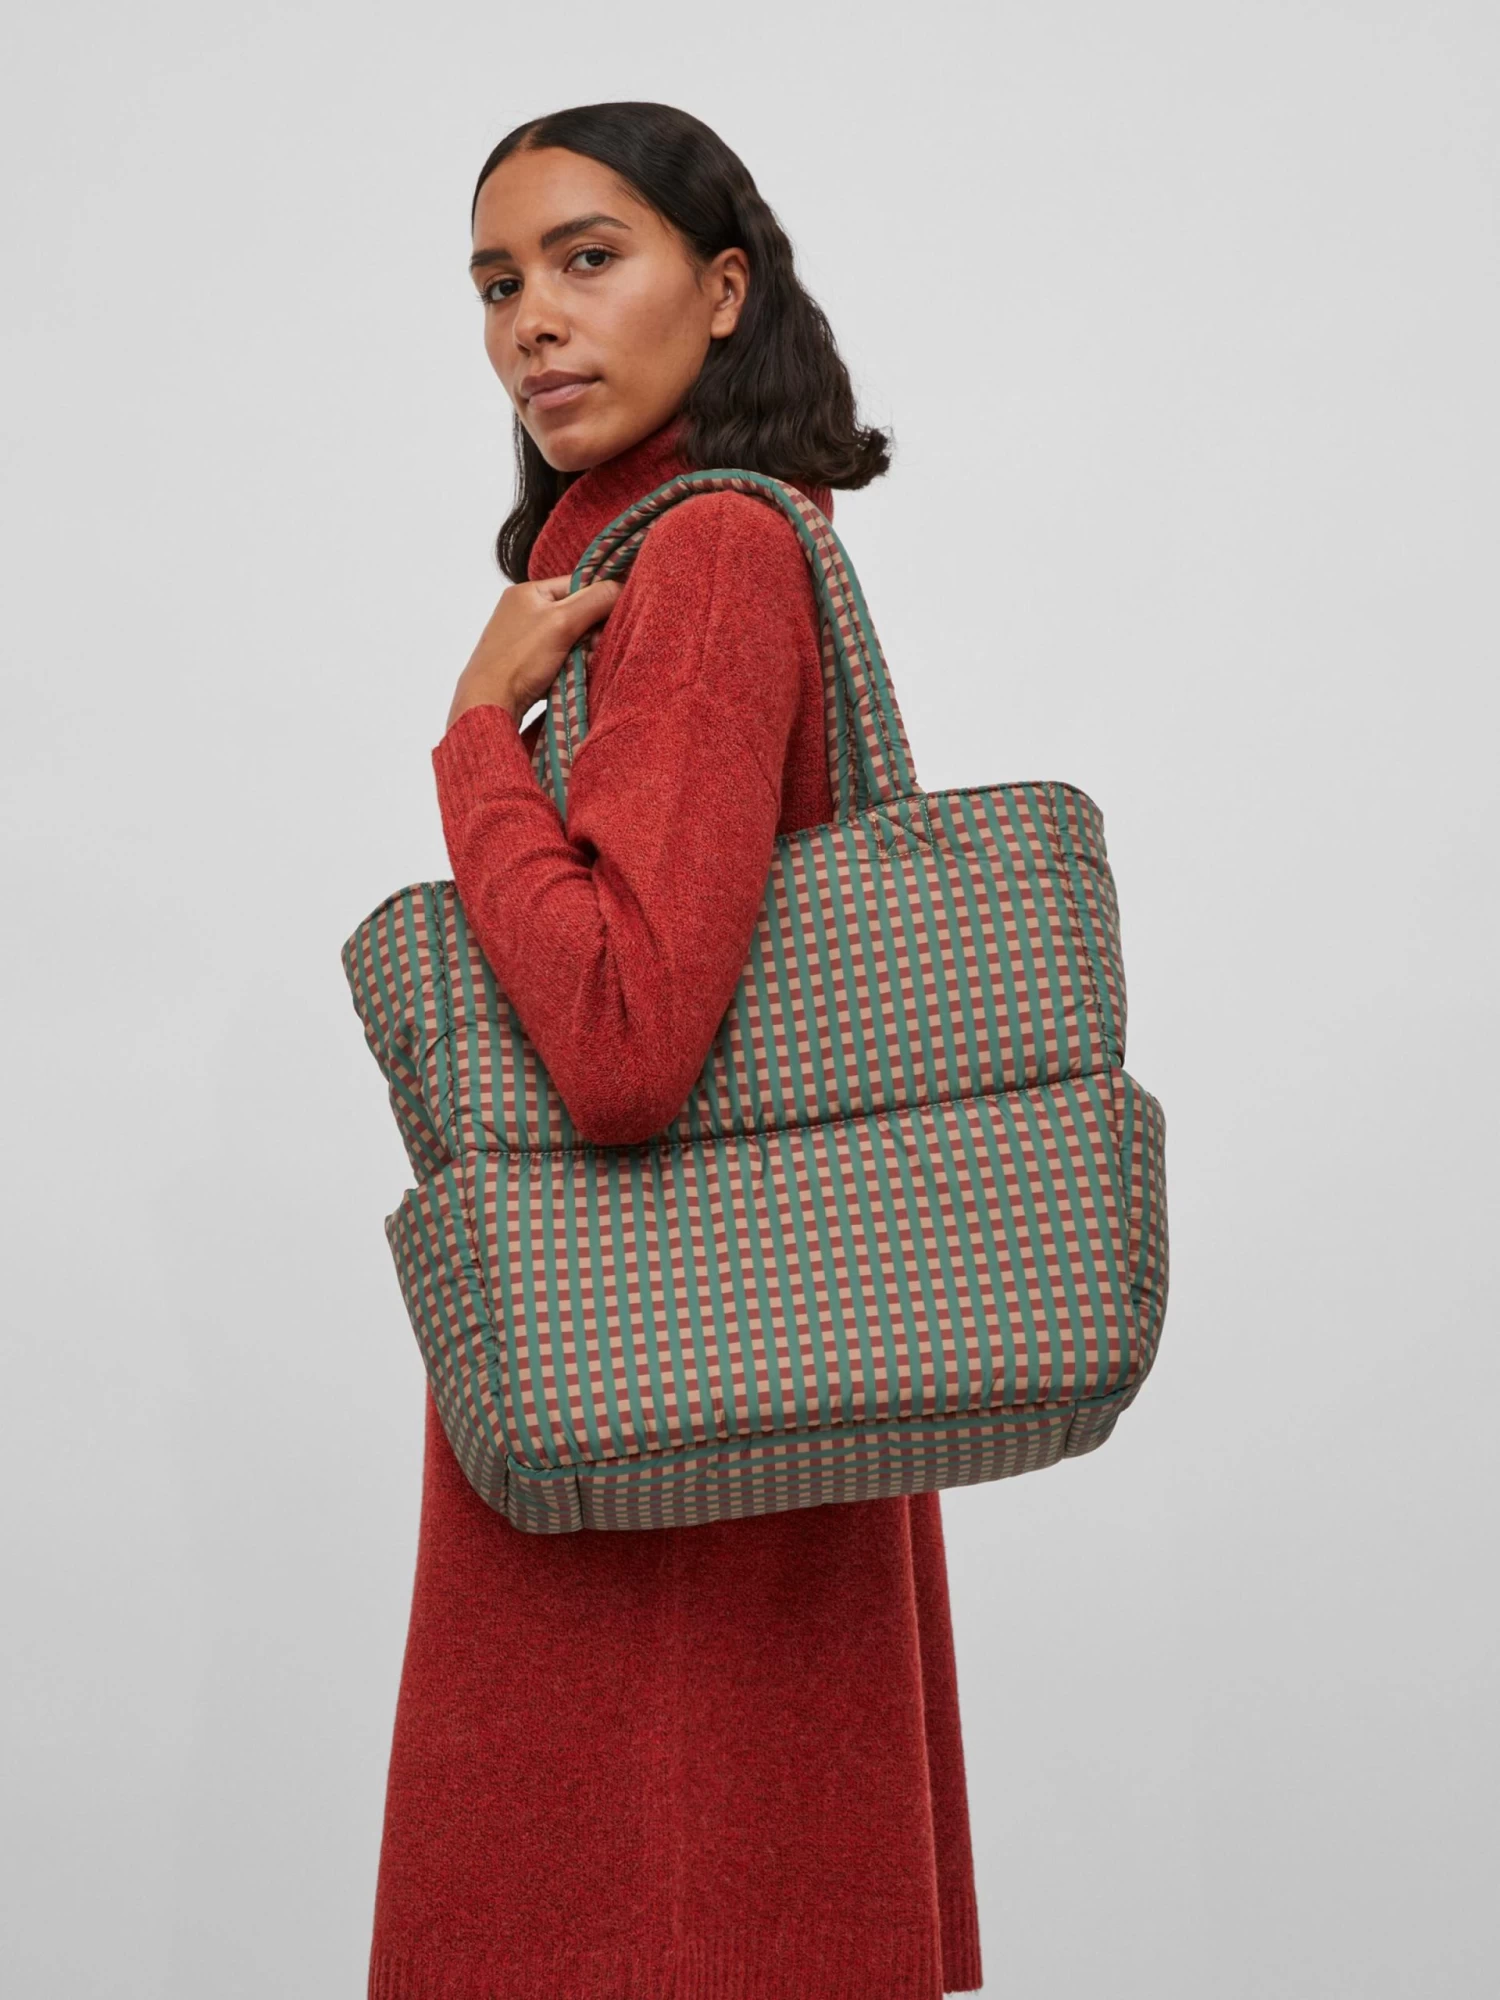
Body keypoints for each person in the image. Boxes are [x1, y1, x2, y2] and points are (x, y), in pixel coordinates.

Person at [367, 101, 983, 2000]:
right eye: (497, 284)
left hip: (658, 1442)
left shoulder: (705, 559)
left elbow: (626, 1045)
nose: (531, 322)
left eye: (587, 258)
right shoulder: (666, 559)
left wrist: (477, 741)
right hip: (739, 1387)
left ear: (723, 292)